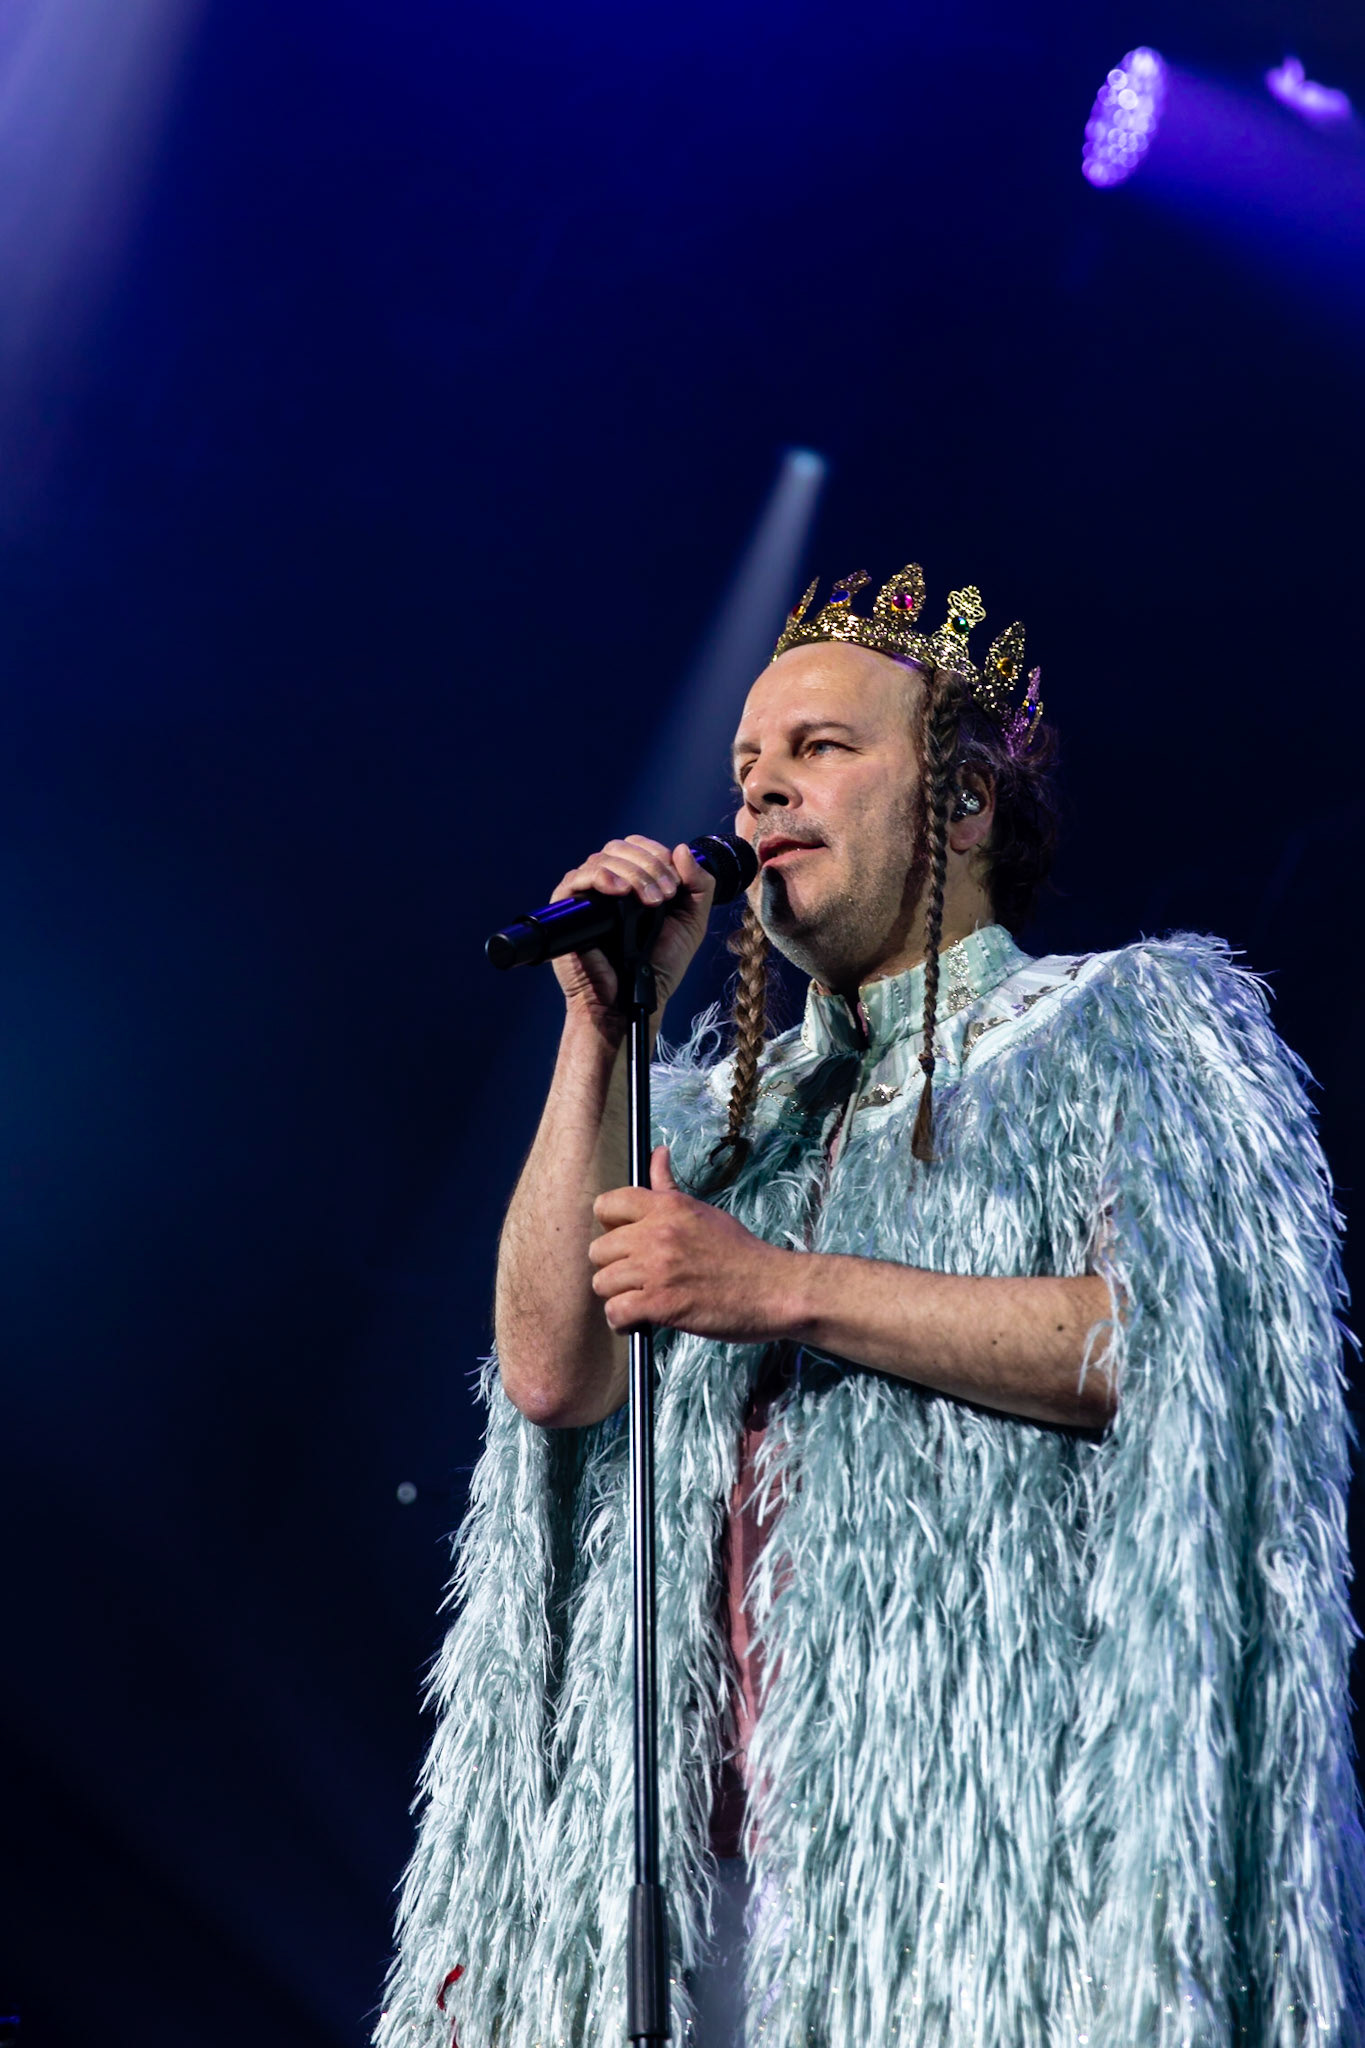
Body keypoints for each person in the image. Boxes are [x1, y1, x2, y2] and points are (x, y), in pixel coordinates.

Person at [376, 563, 1364, 2048]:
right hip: (682, 1892)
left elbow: (1181, 1352)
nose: (761, 791)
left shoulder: (1125, 1032)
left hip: (976, 1888)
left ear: (959, 806)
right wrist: (604, 1037)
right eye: (744, 765)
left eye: (820, 751)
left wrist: (777, 1288)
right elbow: (546, 1373)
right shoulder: (708, 1116)